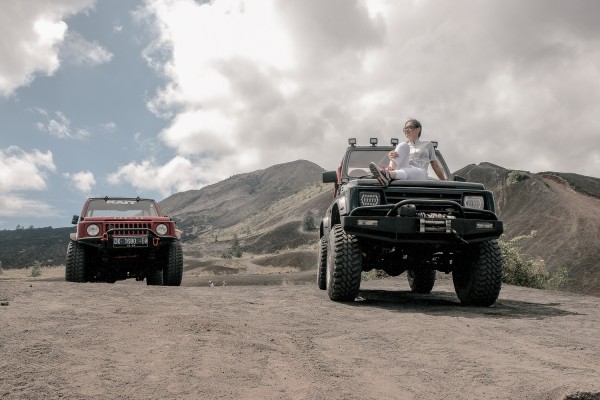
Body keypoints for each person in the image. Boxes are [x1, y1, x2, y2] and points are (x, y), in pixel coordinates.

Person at [369, 118, 447, 186]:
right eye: (405, 128)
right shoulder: (403, 147)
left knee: (406, 171)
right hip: (402, 170)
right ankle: (388, 171)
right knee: (402, 145)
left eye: (410, 127)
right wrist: (392, 156)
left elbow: (435, 165)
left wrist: (445, 182)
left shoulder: (428, 145)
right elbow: (399, 162)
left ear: (418, 129)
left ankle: (386, 175)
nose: (406, 129)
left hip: (420, 173)